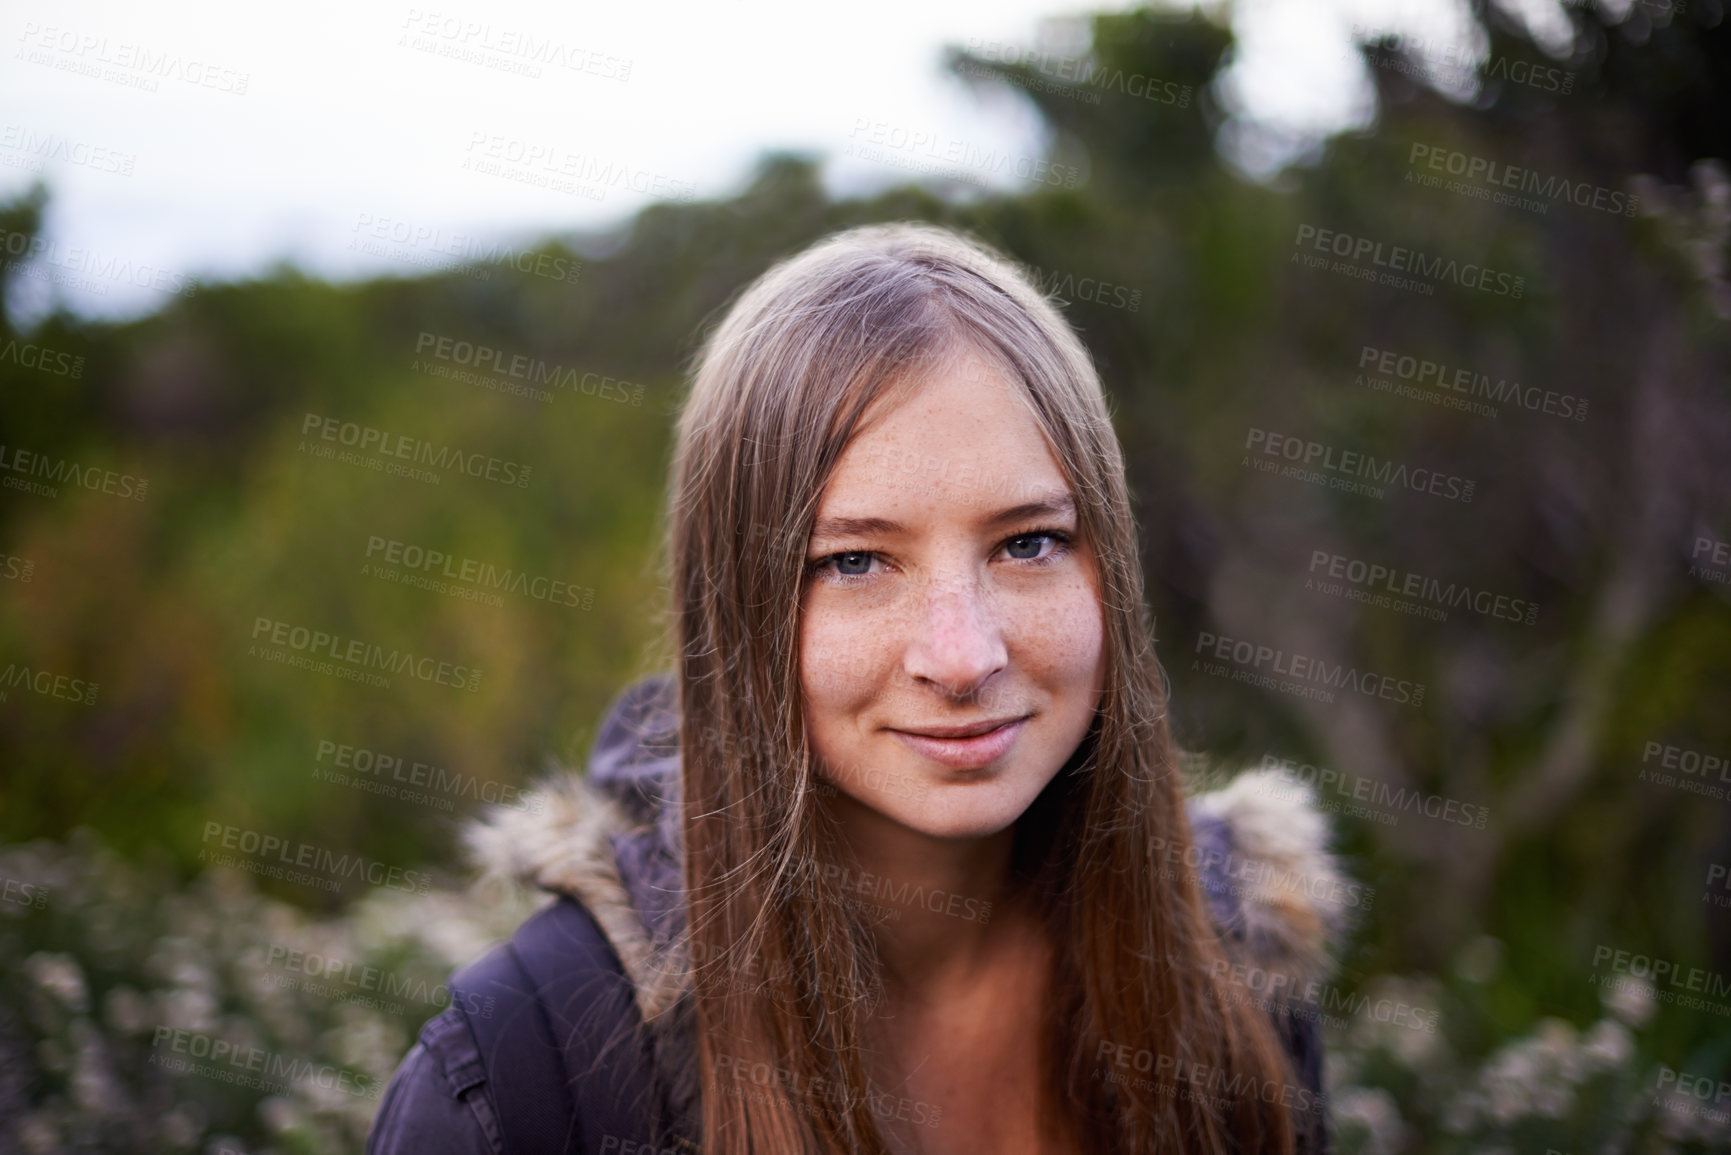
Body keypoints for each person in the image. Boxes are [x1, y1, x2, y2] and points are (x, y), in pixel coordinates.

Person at [367, 222, 1349, 1155]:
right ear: (734, 605)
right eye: (855, 563)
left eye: (1029, 543)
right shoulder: (524, 1075)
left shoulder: (1229, 971)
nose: (962, 658)